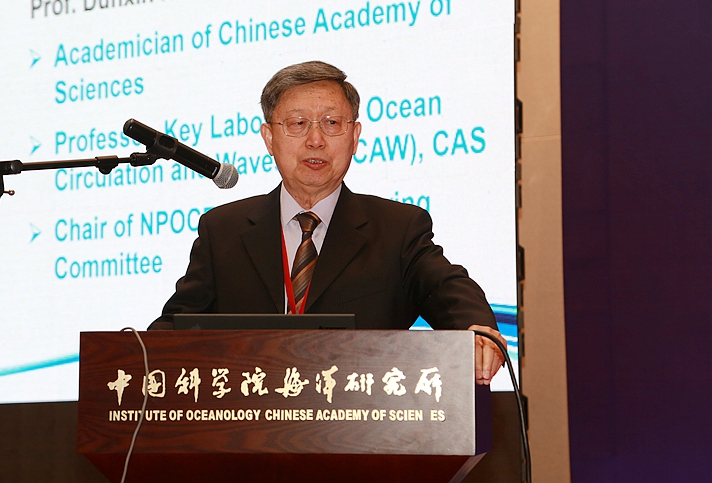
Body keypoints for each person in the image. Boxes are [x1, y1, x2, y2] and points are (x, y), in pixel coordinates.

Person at [150, 61, 506, 384]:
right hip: (247, 424)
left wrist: (478, 331)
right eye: (298, 124)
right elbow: (176, 328)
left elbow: (448, 288)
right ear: (269, 138)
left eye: (332, 123)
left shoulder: (397, 228)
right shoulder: (223, 230)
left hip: (361, 424)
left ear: (354, 137)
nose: (316, 140)